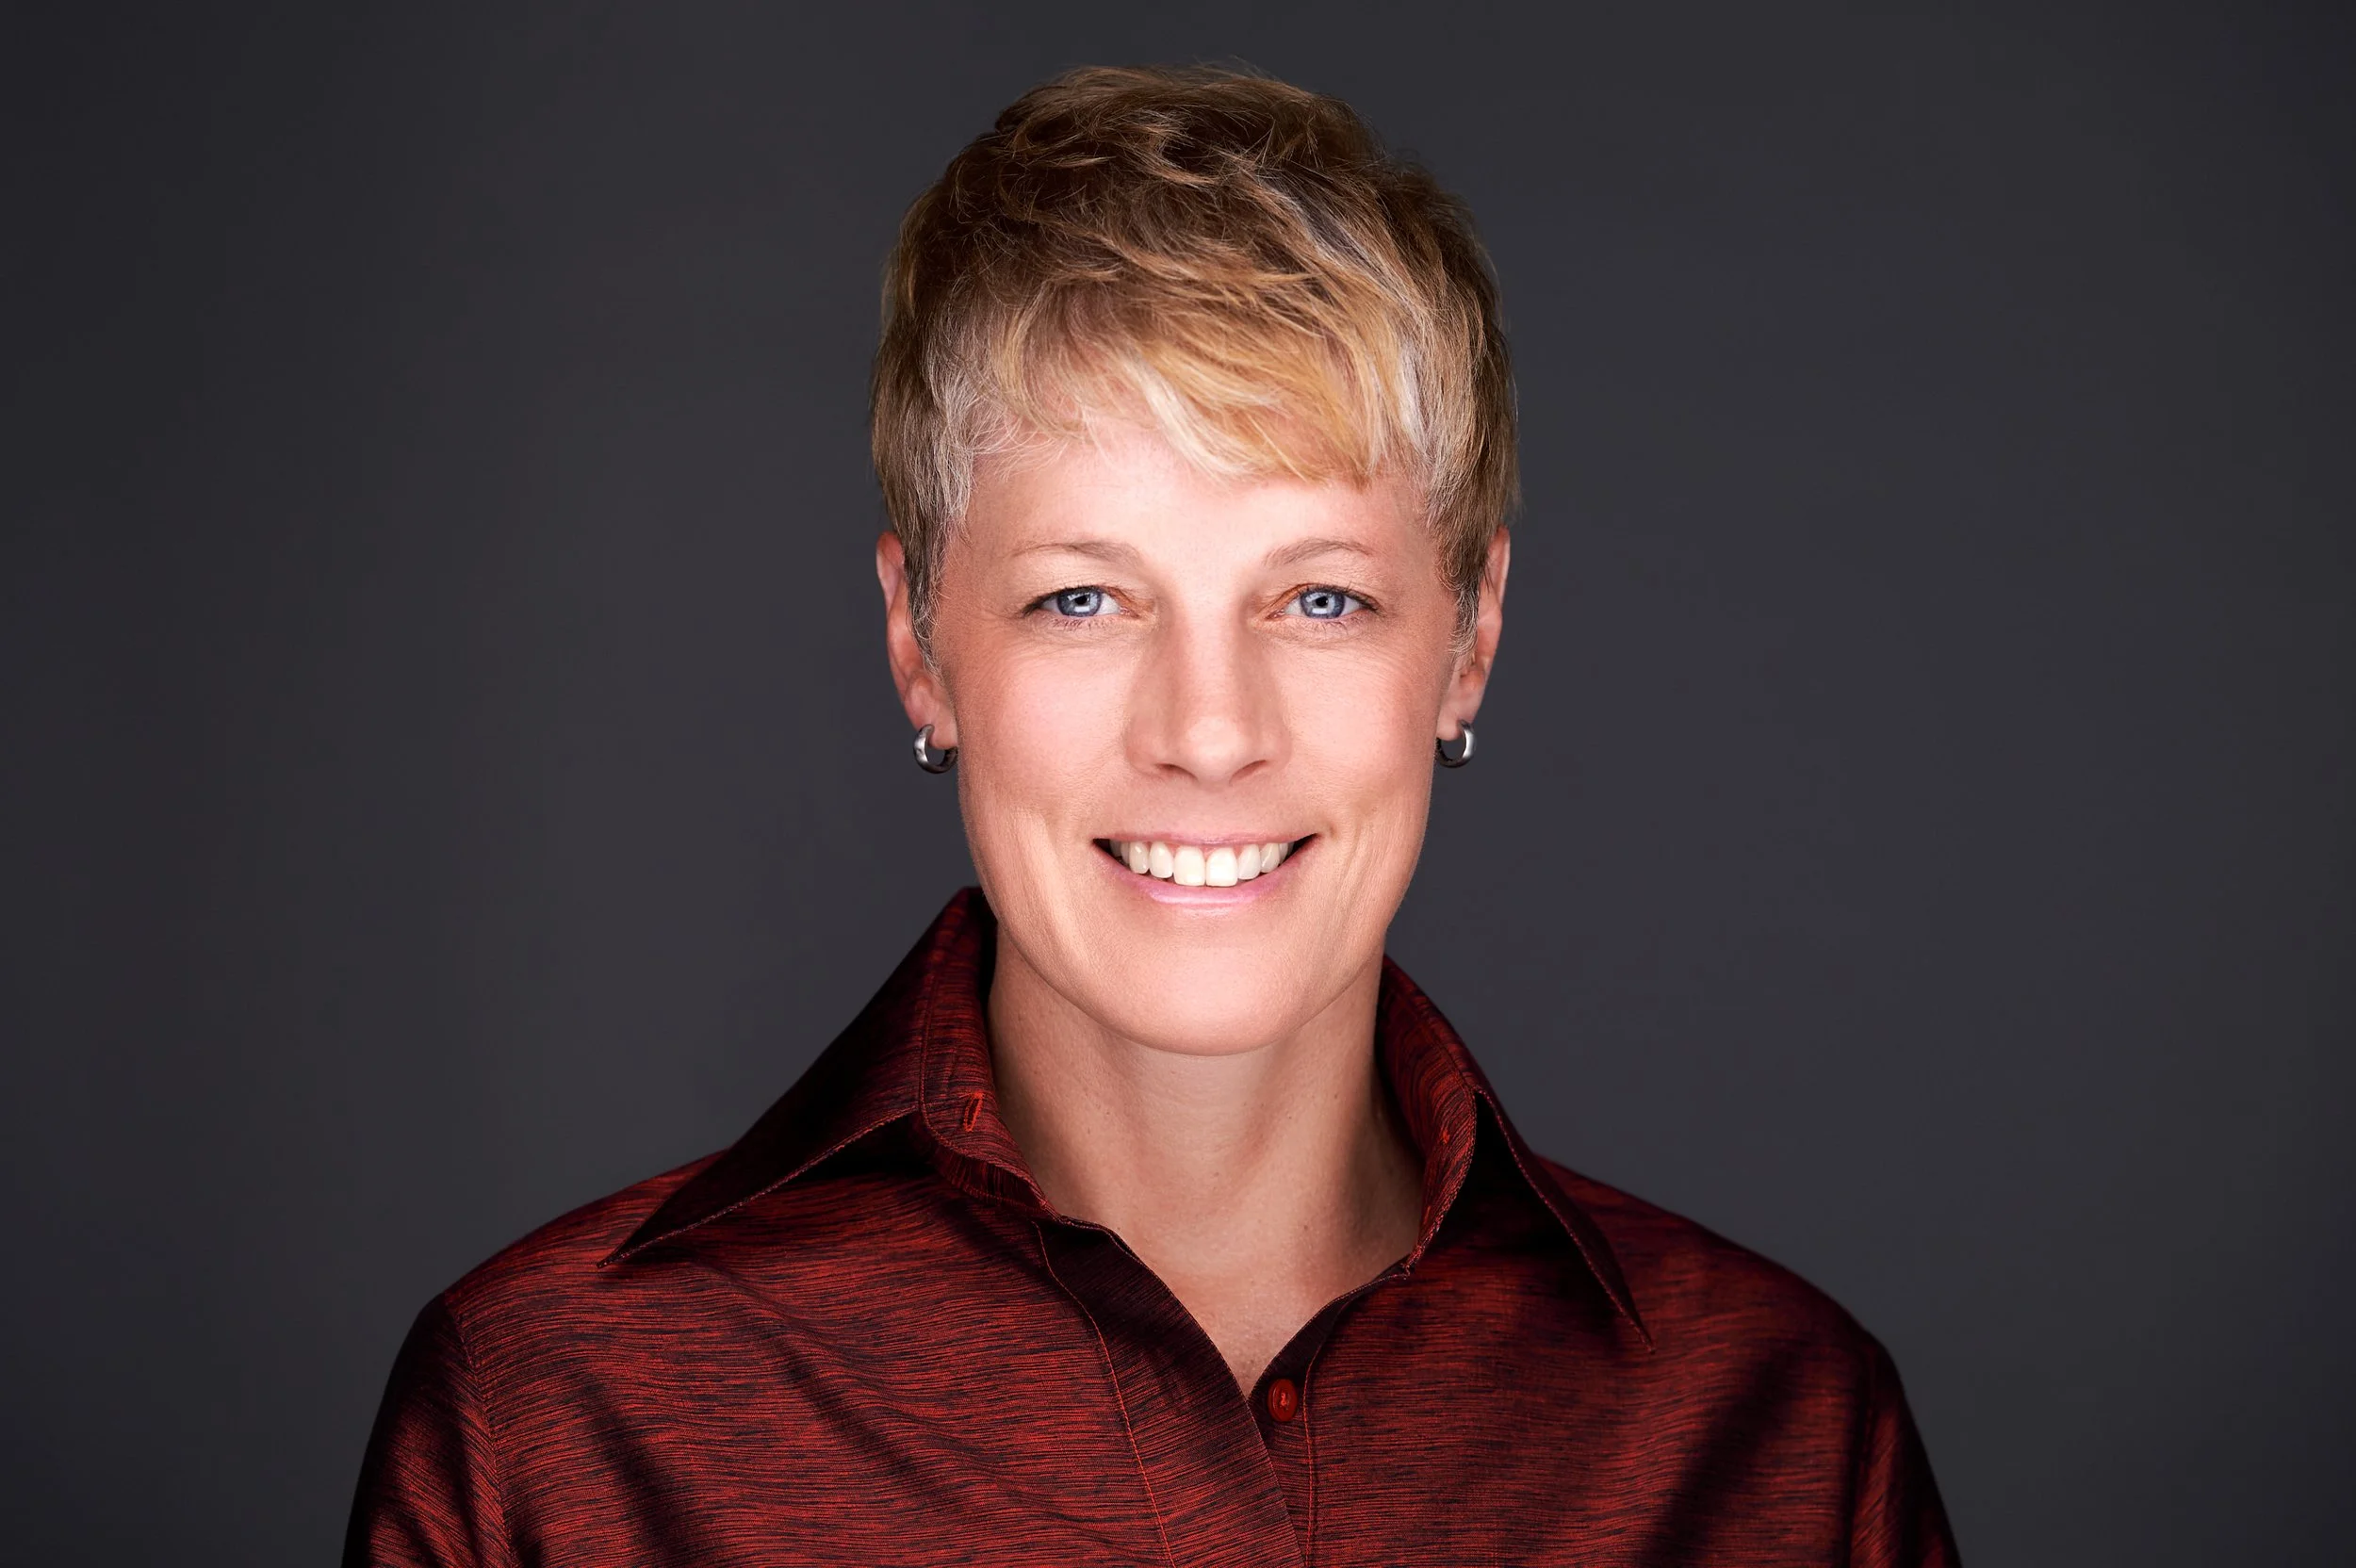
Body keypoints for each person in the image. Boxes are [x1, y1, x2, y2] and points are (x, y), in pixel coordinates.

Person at [347, 65, 1958, 1566]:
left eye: (1320, 599)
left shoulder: (1786, 1445)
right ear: (921, 645)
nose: (1208, 731)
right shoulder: (551, 1430)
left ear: (1467, 641)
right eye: (1082, 599)